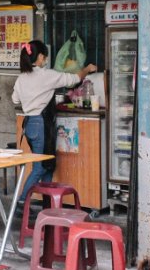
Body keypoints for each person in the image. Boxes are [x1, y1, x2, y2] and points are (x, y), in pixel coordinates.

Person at [12, 40, 97, 204]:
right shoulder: (47, 75)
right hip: (41, 124)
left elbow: (15, 100)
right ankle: (22, 202)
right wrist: (87, 69)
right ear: (41, 56)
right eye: (45, 57)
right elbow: (73, 79)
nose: (45, 60)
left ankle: (47, 202)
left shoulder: (21, 78)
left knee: (48, 163)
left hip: (29, 125)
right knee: (41, 166)